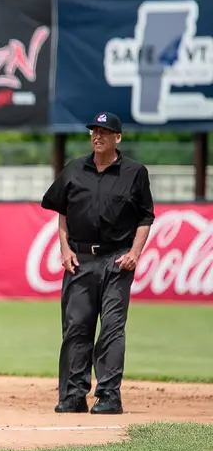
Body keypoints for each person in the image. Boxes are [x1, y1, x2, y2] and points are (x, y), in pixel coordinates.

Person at [40, 111, 155, 415]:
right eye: (94, 131)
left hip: (117, 260)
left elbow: (146, 216)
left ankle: (108, 396)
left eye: (104, 132)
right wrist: (64, 249)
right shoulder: (74, 170)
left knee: (112, 329)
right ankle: (73, 395)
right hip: (80, 259)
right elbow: (61, 211)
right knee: (76, 328)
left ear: (118, 137)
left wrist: (135, 252)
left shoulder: (134, 172)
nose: (97, 136)